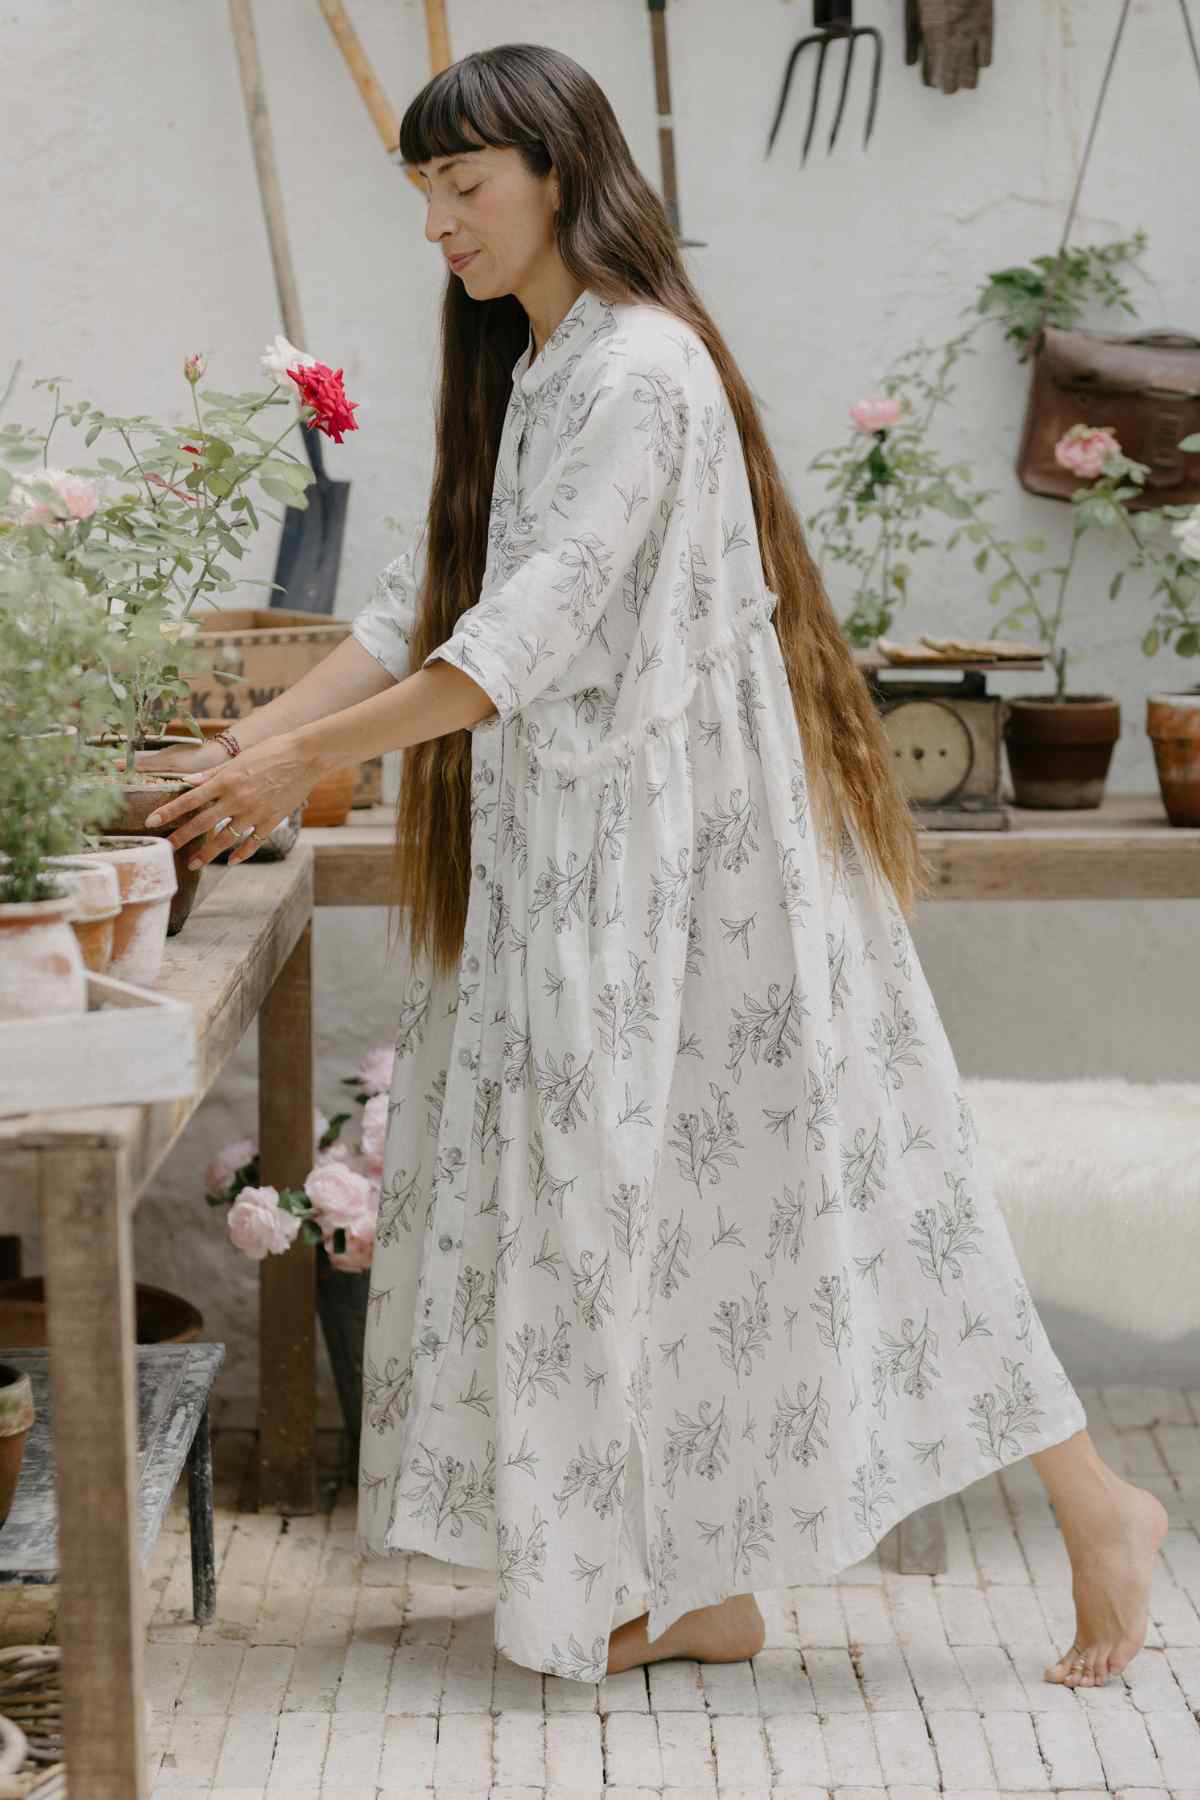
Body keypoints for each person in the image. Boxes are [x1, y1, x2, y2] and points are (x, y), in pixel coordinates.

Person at [140, 42, 1167, 1689]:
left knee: (857, 1194)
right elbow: (419, 614)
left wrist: (294, 761)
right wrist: (246, 744)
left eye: (462, 190)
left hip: (708, 876)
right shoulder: (537, 368)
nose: (440, 229)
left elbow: (515, 647)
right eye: (424, 197)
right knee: (645, 1215)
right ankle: (697, 1587)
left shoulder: (646, 374)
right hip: (588, 879)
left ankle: (1096, 1503)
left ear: (559, 174)